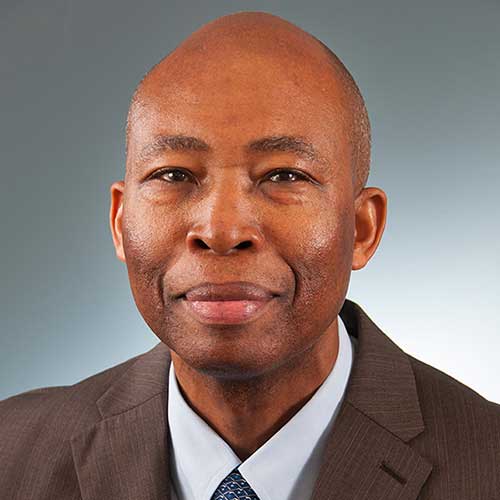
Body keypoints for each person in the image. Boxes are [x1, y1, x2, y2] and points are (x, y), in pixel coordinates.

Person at [1, 11, 498, 500]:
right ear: (120, 221)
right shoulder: (12, 455)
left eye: (284, 175)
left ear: (363, 228)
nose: (221, 231)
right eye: (174, 174)